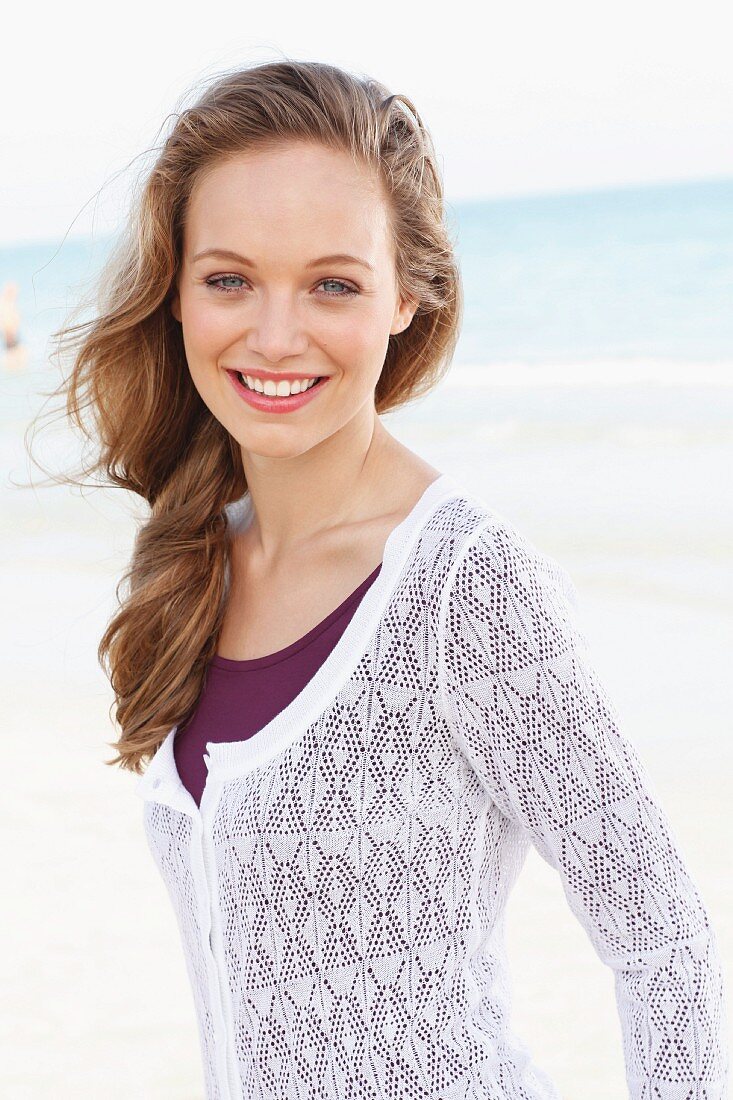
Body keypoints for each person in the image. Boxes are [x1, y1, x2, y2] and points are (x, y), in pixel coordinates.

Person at [49, 60, 728, 1098]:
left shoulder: (466, 589)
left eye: (333, 283)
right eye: (229, 278)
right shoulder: (193, 557)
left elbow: (665, 943)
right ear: (177, 293)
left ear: (405, 293)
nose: (275, 336)